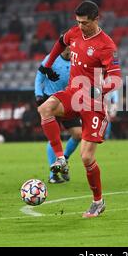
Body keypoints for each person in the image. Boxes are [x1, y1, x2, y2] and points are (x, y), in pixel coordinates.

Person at [38, 0, 122, 217]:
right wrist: (47, 65)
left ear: (96, 19)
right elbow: (59, 42)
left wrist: (99, 90)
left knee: (86, 158)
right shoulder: (74, 33)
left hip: (93, 104)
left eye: (85, 23)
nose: (81, 26)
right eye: (78, 22)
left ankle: (98, 201)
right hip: (73, 94)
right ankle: (60, 159)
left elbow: (115, 78)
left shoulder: (107, 45)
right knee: (45, 108)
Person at [36, 46, 81, 184]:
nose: (68, 50)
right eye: (66, 47)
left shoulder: (77, 59)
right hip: (51, 100)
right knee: (54, 137)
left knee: (78, 134)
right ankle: (53, 175)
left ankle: (64, 158)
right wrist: (38, 94)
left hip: (68, 100)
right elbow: (39, 77)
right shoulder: (51, 58)